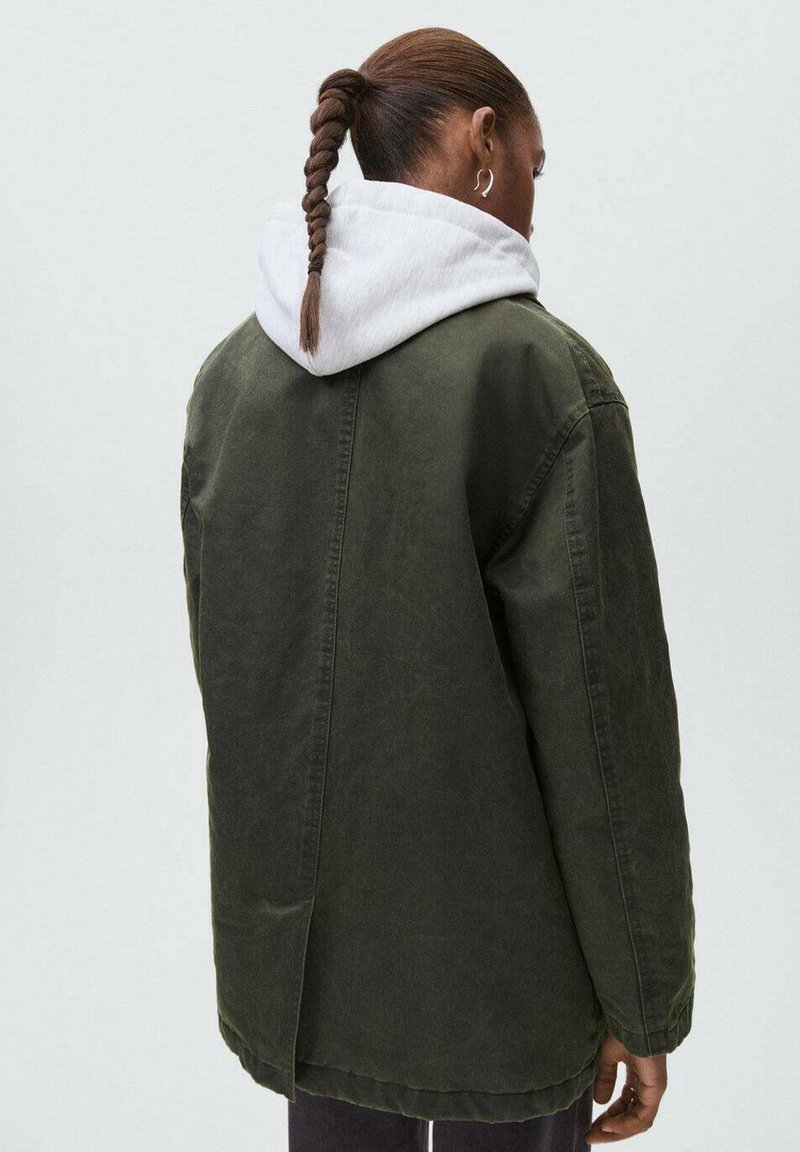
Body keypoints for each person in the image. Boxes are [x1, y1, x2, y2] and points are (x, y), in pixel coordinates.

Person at [179, 25, 696, 1152]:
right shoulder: (536, 375)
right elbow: (603, 727)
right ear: (482, 143)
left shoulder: (233, 375)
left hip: (306, 972)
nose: (533, 204)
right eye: (534, 167)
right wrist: (642, 995)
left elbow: (234, 685)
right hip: (508, 974)